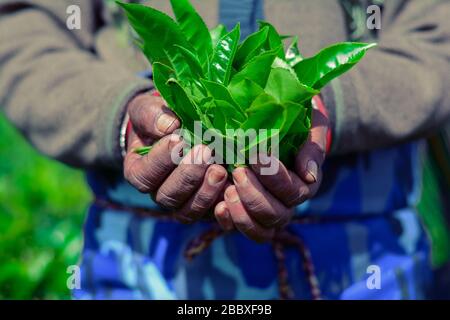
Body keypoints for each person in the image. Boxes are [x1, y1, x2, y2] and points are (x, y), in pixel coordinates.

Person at [1, 0, 449, 299]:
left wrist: (321, 107)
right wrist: (121, 114)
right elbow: (23, 26)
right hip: (139, 268)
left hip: (359, 269)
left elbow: (438, 33)